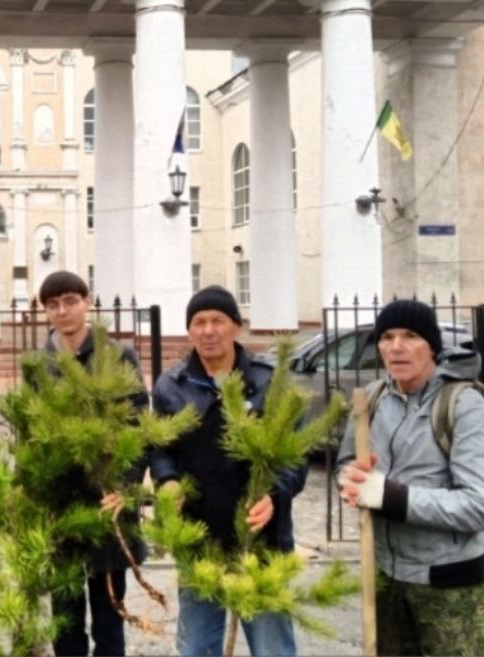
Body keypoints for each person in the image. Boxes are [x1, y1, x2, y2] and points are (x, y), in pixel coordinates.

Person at [336, 299, 484, 656]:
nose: (396, 347)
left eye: (411, 336)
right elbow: (348, 462)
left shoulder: (463, 405)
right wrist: (349, 481)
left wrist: (390, 496)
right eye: (387, 337)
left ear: (432, 346)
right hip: (385, 578)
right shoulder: (372, 399)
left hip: (449, 587)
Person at [150, 285, 304, 657]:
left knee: (272, 648)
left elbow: (295, 455)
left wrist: (275, 494)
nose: (208, 330)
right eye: (198, 322)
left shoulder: (270, 382)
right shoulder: (172, 386)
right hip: (200, 541)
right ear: (189, 332)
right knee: (197, 648)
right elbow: (160, 448)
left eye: (217, 320)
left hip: (261, 540)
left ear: (236, 326)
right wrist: (168, 480)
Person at [36, 270, 149, 657]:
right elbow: (31, 431)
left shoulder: (118, 356)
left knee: (109, 614)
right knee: (65, 615)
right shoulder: (41, 364)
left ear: (87, 301)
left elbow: (139, 424)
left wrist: (126, 485)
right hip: (61, 503)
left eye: (70, 301)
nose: (62, 311)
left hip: (107, 499)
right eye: (53, 305)